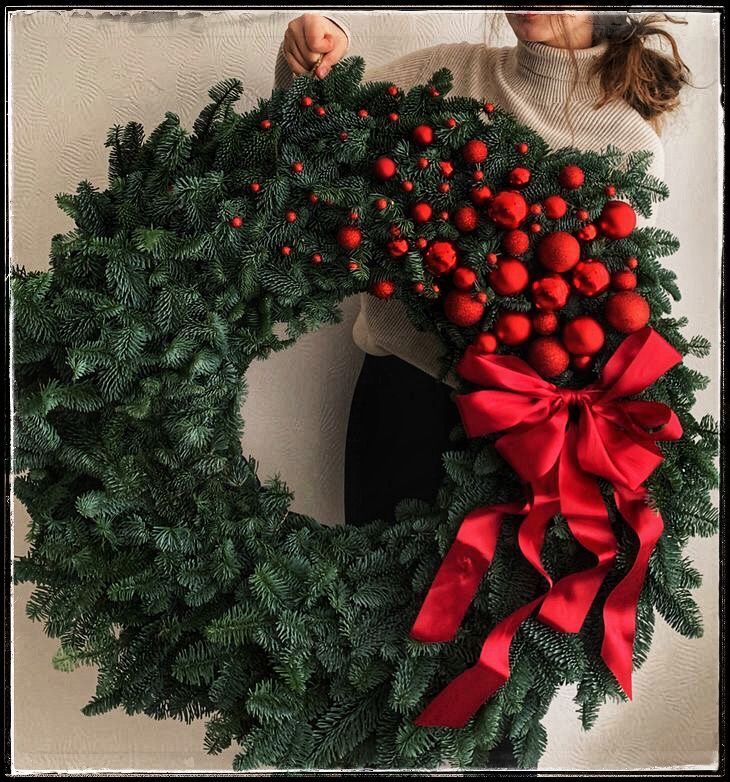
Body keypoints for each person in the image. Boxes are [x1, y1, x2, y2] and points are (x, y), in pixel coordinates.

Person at [272, 11, 690, 768]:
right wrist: (308, 57)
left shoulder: (628, 141)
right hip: (401, 408)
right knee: (376, 665)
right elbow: (312, 159)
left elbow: (605, 319)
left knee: (499, 696)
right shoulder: (433, 77)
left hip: (526, 444)